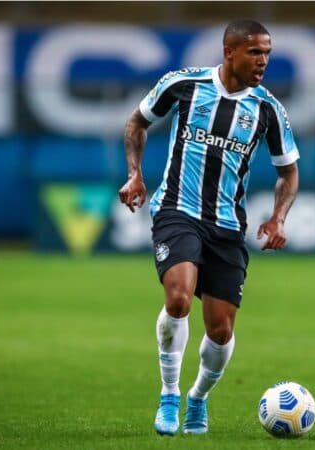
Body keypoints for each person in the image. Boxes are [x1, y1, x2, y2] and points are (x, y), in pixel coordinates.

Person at [118, 19, 299, 436]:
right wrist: (135, 174)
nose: (263, 62)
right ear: (229, 51)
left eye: (268, 53)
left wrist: (278, 218)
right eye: (255, 52)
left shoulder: (268, 108)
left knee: (220, 329)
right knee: (179, 298)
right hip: (177, 210)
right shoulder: (184, 84)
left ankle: (198, 397)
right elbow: (136, 123)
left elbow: (288, 173)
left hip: (227, 227)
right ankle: (169, 394)